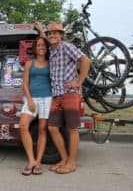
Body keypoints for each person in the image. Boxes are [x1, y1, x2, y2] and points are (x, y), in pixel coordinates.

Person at [34, 21, 90, 174]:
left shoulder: (67, 47)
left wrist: (79, 81)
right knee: (52, 127)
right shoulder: (51, 50)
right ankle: (64, 159)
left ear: (61, 35)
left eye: (56, 33)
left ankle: (71, 163)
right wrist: (41, 30)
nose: (52, 35)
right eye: (50, 33)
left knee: (72, 129)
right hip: (56, 95)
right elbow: (44, 40)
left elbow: (85, 60)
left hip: (70, 94)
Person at [19, 36, 52, 176]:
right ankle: (31, 160)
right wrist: (30, 101)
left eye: (43, 46)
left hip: (47, 98)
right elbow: (25, 84)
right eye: (38, 45)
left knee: (42, 130)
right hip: (32, 99)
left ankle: (38, 162)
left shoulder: (51, 63)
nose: (41, 48)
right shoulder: (29, 63)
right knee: (23, 126)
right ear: (34, 48)